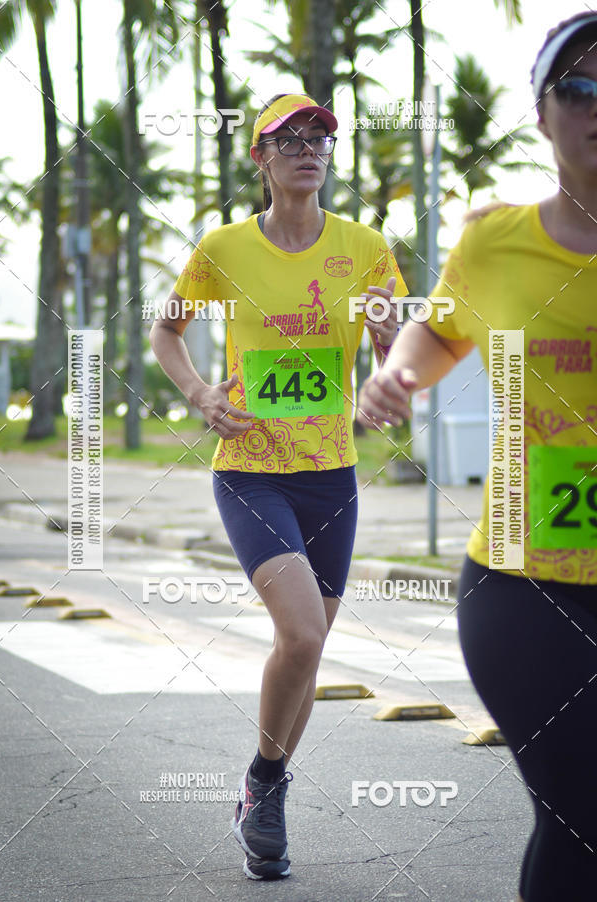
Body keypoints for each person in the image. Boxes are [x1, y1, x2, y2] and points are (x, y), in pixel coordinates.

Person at [357, 13, 597, 902]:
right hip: (525, 585)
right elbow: (441, 329)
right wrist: (397, 376)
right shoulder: (494, 242)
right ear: (543, 115)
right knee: (581, 816)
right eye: (579, 87)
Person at [150, 93, 407, 880]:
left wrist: (389, 362)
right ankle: (264, 783)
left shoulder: (366, 248)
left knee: (309, 648)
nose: (308, 150)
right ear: (260, 157)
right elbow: (166, 328)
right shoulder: (223, 248)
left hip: (331, 476)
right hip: (251, 473)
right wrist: (200, 393)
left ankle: (263, 792)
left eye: (320, 137)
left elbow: (395, 348)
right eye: (289, 139)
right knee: (300, 635)